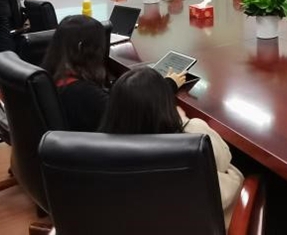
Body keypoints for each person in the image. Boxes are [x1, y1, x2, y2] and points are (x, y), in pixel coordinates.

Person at [100, 67, 244, 226]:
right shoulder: (192, 134)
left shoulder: (101, 153)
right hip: (204, 219)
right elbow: (224, 160)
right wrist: (184, 121)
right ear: (165, 103)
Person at [42, 15, 187, 131]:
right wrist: (167, 86)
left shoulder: (52, 75)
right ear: (82, 48)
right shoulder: (83, 93)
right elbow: (131, 115)